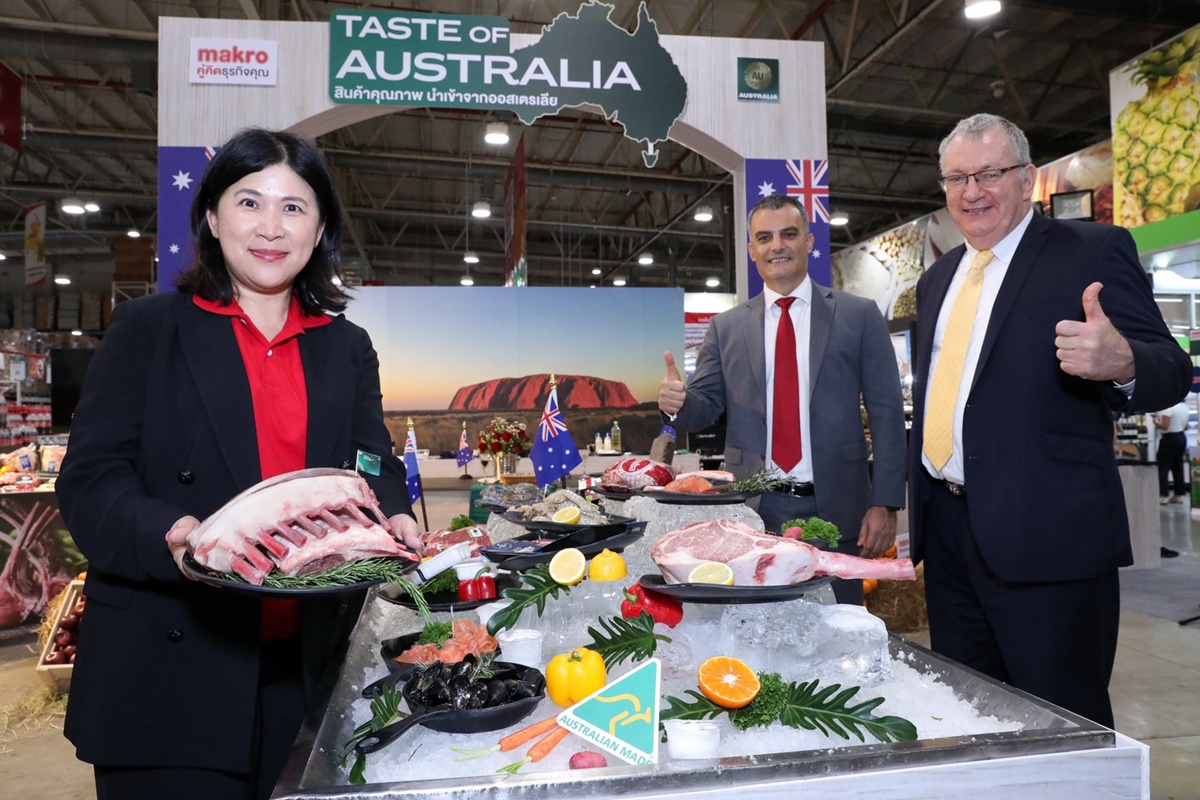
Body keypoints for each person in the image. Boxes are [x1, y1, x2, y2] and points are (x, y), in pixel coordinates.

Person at [55, 127, 423, 800]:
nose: (270, 227)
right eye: (249, 202)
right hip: (173, 666)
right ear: (212, 217)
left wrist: (394, 509)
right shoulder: (148, 329)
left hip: (307, 661)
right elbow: (92, 479)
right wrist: (173, 533)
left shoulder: (346, 346)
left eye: (294, 207)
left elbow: (372, 458)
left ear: (319, 230)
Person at [908, 113, 1191, 729]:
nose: (972, 192)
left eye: (989, 174)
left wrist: (1123, 363)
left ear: (1027, 177)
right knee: (966, 720)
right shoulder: (936, 280)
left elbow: (1172, 368)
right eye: (956, 178)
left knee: (1064, 724)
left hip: (1049, 539)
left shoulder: (1092, 251)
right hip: (949, 537)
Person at [657, 194, 906, 604]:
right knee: (756, 627)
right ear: (751, 249)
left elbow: (887, 414)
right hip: (754, 512)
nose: (777, 246)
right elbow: (704, 409)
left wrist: (885, 502)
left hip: (840, 509)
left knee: (839, 625)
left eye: (788, 234)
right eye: (764, 237)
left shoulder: (858, 316)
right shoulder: (726, 328)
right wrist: (677, 403)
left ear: (809, 241)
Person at [1155, 399, 1191, 504]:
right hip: (1181, 437)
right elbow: (1186, 426)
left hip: (1169, 438)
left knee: (1163, 467)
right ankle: (1178, 495)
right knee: (1178, 467)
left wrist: (1156, 423)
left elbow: (1165, 426)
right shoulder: (1185, 407)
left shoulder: (1168, 407)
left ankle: (1164, 495)